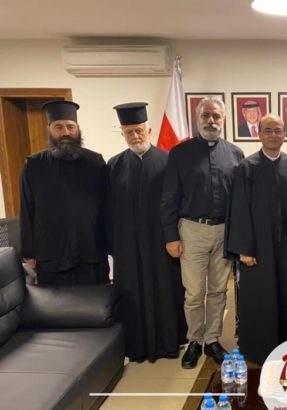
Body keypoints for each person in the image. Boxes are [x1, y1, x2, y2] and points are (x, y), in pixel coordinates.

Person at [161, 96, 244, 368]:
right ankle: (195, 340)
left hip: (225, 230)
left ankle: (212, 340)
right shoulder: (179, 153)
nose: (211, 120)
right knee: (195, 293)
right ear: (197, 118)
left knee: (219, 291)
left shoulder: (235, 154)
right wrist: (171, 236)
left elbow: (241, 199)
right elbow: (169, 197)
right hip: (192, 231)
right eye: (206, 115)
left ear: (224, 120)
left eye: (216, 116)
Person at [107, 102, 186, 363]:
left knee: (165, 289)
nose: (135, 136)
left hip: (161, 240)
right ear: (122, 133)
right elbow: (108, 208)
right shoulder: (114, 165)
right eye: (129, 132)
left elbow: (177, 203)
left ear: (149, 130)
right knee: (132, 291)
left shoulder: (168, 160)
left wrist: (174, 236)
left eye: (139, 130)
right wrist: (113, 244)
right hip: (128, 244)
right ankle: (137, 346)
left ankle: (169, 342)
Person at [225, 114, 287, 364]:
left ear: (285, 134)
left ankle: (286, 345)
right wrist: (244, 249)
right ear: (259, 134)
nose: (273, 135)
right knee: (260, 297)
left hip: (286, 245)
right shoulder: (246, 167)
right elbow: (239, 209)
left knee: (286, 293)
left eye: (278, 130)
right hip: (257, 247)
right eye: (268, 130)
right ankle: (258, 348)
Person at [20, 100, 109, 285]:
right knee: (54, 303)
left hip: (91, 252)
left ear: (78, 129)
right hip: (52, 254)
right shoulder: (34, 165)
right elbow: (27, 210)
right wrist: (29, 252)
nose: (65, 132)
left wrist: (112, 245)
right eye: (58, 127)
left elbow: (108, 206)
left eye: (70, 127)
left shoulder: (95, 162)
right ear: (49, 130)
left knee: (94, 301)